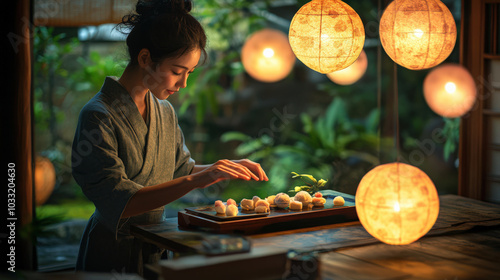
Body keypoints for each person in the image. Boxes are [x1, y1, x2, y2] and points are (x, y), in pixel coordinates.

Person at [71, 0, 268, 274]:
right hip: (112, 251)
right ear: (144, 59)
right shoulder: (98, 115)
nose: (183, 83)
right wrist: (198, 178)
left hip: (157, 245)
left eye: (189, 73)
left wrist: (220, 169)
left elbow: (178, 172)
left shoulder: (164, 111)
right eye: (177, 71)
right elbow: (119, 200)